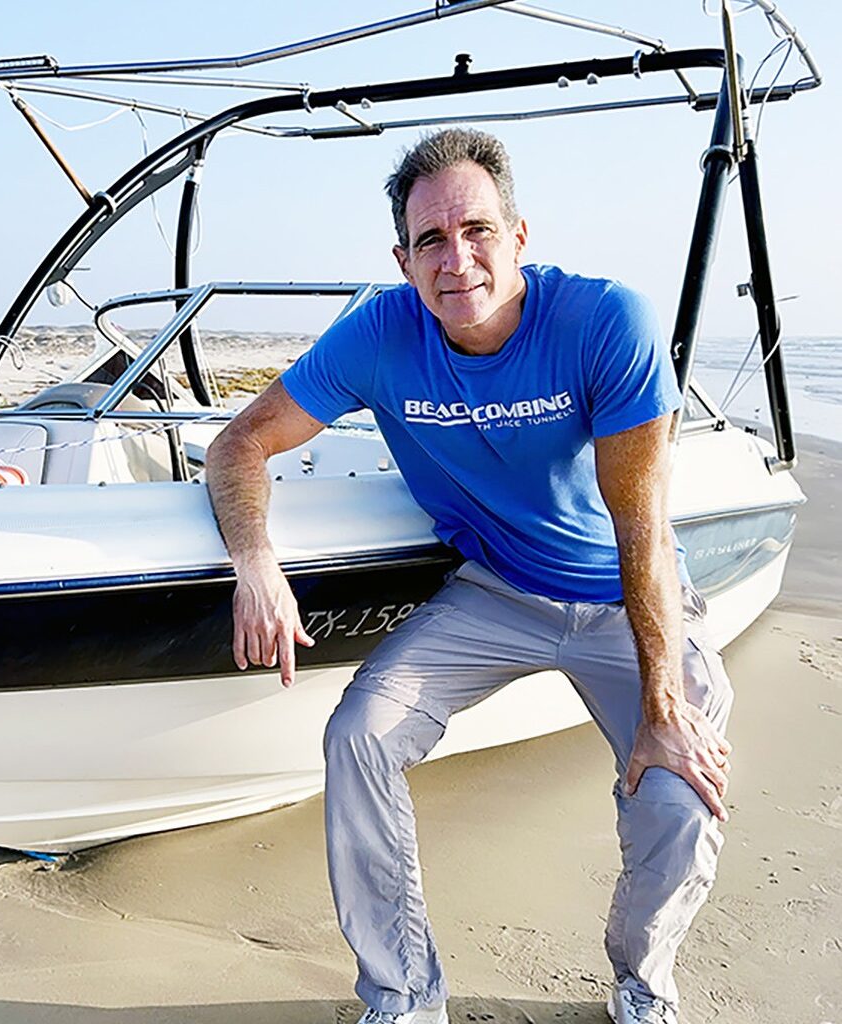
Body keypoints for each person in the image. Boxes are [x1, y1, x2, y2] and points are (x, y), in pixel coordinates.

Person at [204, 128, 733, 1024]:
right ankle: (403, 996)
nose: (458, 260)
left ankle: (643, 982)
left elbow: (640, 528)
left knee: (681, 794)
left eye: (477, 231)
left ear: (519, 235)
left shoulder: (607, 320)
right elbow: (240, 443)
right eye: (431, 241)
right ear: (402, 258)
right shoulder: (377, 333)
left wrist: (664, 706)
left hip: (626, 599)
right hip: (495, 596)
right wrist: (256, 564)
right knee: (359, 736)